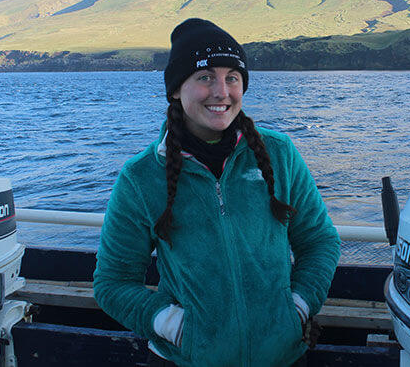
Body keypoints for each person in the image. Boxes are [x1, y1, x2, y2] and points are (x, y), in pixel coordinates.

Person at [93, 18, 341, 367]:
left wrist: (298, 307)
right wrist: (174, 326)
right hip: (185, 360)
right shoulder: (141, 177)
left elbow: (319, 241)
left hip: (282, 357)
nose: (221, 91)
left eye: (232, 78)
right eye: (205, 77)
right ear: (177, 89)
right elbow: (113, 283)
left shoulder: (279, 153)